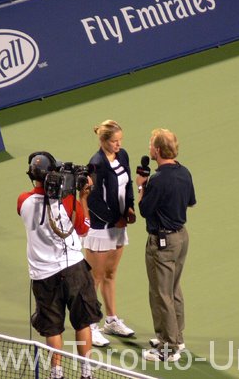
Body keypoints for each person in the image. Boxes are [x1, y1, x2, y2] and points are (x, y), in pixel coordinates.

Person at [17, 151, 102, 379]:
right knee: (82, 322)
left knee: (53, 328)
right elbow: (84, 228)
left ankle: (56, 373)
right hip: (74, 270)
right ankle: (87, 373)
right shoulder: (67, 200)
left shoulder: (22, 201)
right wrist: (82, 197)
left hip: (43, 276)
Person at [136, 129, 196, 362]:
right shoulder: (185, 172)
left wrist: (142, 186)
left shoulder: (158, 181)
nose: (150, 148)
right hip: (181, 238)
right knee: (173, 289)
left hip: (163, 243)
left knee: (162, 294)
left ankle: (169, 348)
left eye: (151, 145)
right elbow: (190, 202)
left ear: (158, 150)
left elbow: (143, 210)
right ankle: (174, 337)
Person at [84, 120, 136, 347]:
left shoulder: (123, 155)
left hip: (119, 224)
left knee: (111, 274)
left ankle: (112, 320)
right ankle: (90, 326)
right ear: (103, 141)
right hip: (101, 227)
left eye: (120, 141)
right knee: (94, 278)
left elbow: (128, 184)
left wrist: (130, 207)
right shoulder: (96, 164)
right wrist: (115, 218)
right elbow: (93, 200)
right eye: (114, 141)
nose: (118, 145)